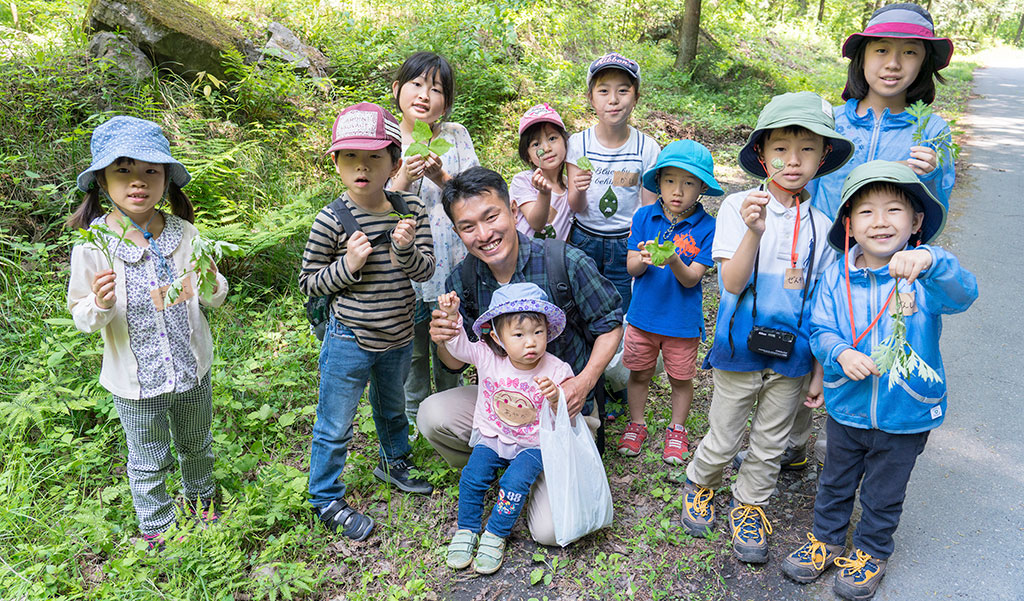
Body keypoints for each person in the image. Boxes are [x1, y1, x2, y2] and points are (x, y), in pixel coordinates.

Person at [780, 161, 976, 600]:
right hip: (847, 405)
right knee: (835, 479)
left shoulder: (926, 279)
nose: (881, 221)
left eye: (894, 210)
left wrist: (931, 260)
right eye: (867, 212)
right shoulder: (836, 277)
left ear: (917, 221)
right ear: (849, 223)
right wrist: (839, 352)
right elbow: (820, 328)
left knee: (885, 490)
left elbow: (965, 294)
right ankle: (826, 541)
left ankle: (872, 550)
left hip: (905, 411)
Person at [777, 1, 958, 471]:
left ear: (925, 64)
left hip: (879, 270)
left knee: (863, 344)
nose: (893, 64)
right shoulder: (831, 121)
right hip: (817, 254)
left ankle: (848, 430)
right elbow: (801, 180)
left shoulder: (931, 131)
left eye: (908, 53)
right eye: (881, 50)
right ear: (862, 57)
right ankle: (793, 436)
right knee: (807, 339)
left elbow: (936, 208)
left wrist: (933, 175)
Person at [680, 92, 854, 564]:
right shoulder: (739, 207)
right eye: (780, 149)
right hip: (739, 345)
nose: (792, 161)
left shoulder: (823, 225)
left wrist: (818, 368)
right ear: (761, 155)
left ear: (823, 157)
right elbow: (732, 283)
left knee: (772, 437)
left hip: (795, 355)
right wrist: (754, 232)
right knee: (726, 428)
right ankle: (702, 481)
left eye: (806, 149)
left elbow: (822, 304)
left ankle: (751, 504)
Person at [417, 166, 623, 546]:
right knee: (433, 415)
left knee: (550, 531)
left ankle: (539, 469)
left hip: (562, 410)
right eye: (467, 226)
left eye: (491, 216)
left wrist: (584, 381)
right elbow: (455, 363)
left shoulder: (564, 261)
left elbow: (610, 324)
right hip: (504, 404)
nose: (484, 234)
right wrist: (444, 339)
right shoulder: (462, 282)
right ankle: (499, 464)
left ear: (513, 209)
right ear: (457, 231)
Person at [67, 116, 227, 550]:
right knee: (148, 456)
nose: (138, 182)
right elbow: (81, 315)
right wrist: (99, 304)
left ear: (166, 179)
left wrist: (211, 280)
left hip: (191, 369)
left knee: (197, 442)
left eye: (150, 171)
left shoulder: (185, 234)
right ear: (102, 180)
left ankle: (200, 501)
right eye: (124, 170)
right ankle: (157, 523)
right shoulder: (94, 245)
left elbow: (213, 298)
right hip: (136, 382)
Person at [298, 102, 435, 541]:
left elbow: (426, 270)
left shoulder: (410, 209)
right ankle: (324, 497)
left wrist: (404, 251)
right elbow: (309, 284)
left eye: (375, 157)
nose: (363, 167)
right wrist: (350, 265)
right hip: (348, 337)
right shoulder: (330, 220)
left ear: (395, 161)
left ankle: (394, 461)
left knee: (392, 407)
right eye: (351, 157)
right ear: (336, 164)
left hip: (398, 334)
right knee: (335, 423)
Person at [439, 283, 574, 574]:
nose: (531, 343)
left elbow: (566, 414)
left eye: (539, 333)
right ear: (497, 338)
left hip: (533, 444)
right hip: (493, 436)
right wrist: (451, 317)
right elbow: (458, 347)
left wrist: (555, 396)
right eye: (519, 335)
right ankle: (467, 529)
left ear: (548, 332)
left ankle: (495, 534)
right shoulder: (488, 358)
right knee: (472, 478)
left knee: (513, 485)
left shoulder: (556, 369)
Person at [389, 51, 480, 426]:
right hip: (404, 270)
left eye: (436, 88)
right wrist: (405, 177)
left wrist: (443, 179)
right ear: (397, 90)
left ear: (446, 103)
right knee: (411, 348)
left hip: (452, 263)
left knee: (450, 339)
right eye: (416, 84)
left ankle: (448, 412)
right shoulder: (387, 140)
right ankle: (413, 416)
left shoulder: (456, 136)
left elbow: (474, 199)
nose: (425, 94)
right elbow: (374, 207)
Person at [617, 140, 720, 463]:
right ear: (658, 182)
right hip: (643, 317)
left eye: (689, 183)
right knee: (640, 373)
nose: (678, 190)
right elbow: (631, 267)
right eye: (670, 180)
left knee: (680, 378)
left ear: (702, 186)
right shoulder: (645, 217)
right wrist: (644, 259)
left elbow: (691, 278)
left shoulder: (707, 227)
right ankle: (636, 423)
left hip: (681, 322)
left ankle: (677, 429)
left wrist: (673, 258)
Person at [565, 52, 660, 313]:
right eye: (604, 91)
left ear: (636, 98)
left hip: (626, 245)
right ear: (590, 98)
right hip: (584, 240)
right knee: (583, 310)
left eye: (623, 91)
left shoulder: (647, 148)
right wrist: (580, 189)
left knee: (620, 312)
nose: (614, 100)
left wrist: (642, 247)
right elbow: (574, 205)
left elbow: (647, 208)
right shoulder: (578, 144)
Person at [510, 103, 573, 241]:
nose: (546, 148)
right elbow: (536, 224)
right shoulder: (523, 181)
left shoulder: (571, 186)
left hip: (554, 259)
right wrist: (544, 194)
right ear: (528, 155)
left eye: (552, 138)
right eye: (536, 144)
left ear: (565, 141)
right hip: (526, 255)